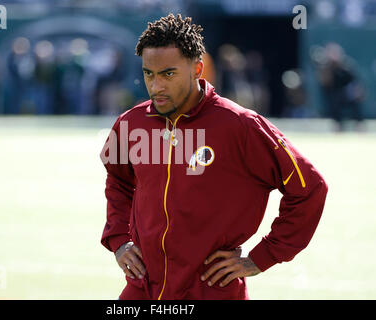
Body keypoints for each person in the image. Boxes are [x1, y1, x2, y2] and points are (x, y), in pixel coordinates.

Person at [100, 14, 328, 300]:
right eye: (149, 74)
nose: (156, 86)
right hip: (144, 288)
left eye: (168, 74)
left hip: (211, 289)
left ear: (197, 69)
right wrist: (120, 240)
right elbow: (118, 181)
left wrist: (263, 256)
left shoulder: (241, 125)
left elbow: (310, 188)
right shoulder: (131, 123)